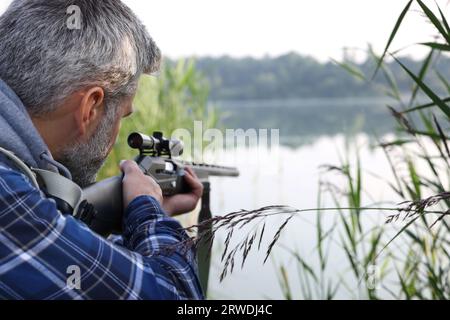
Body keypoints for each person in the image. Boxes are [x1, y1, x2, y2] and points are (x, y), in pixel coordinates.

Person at [0, 0, 204, 299]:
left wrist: (142, 226)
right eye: (124, 115)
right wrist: (148, 210)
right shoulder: (7, 193)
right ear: (90, 107)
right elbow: (177, 295)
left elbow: (68, 276)